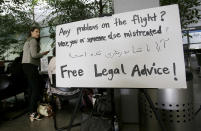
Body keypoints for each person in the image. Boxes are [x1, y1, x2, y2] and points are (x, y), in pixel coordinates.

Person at [22, 26, 49, 122]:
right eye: (36, 31)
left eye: (39, 32)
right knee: (36, 89)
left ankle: (32, 109)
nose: (38, 33)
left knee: (32, 88)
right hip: (30, 66)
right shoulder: (33, 40)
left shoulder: (27, 40)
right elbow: (34, 55)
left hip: (26, 66)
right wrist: (43, 53)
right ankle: (32, 112)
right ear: (31, 32)